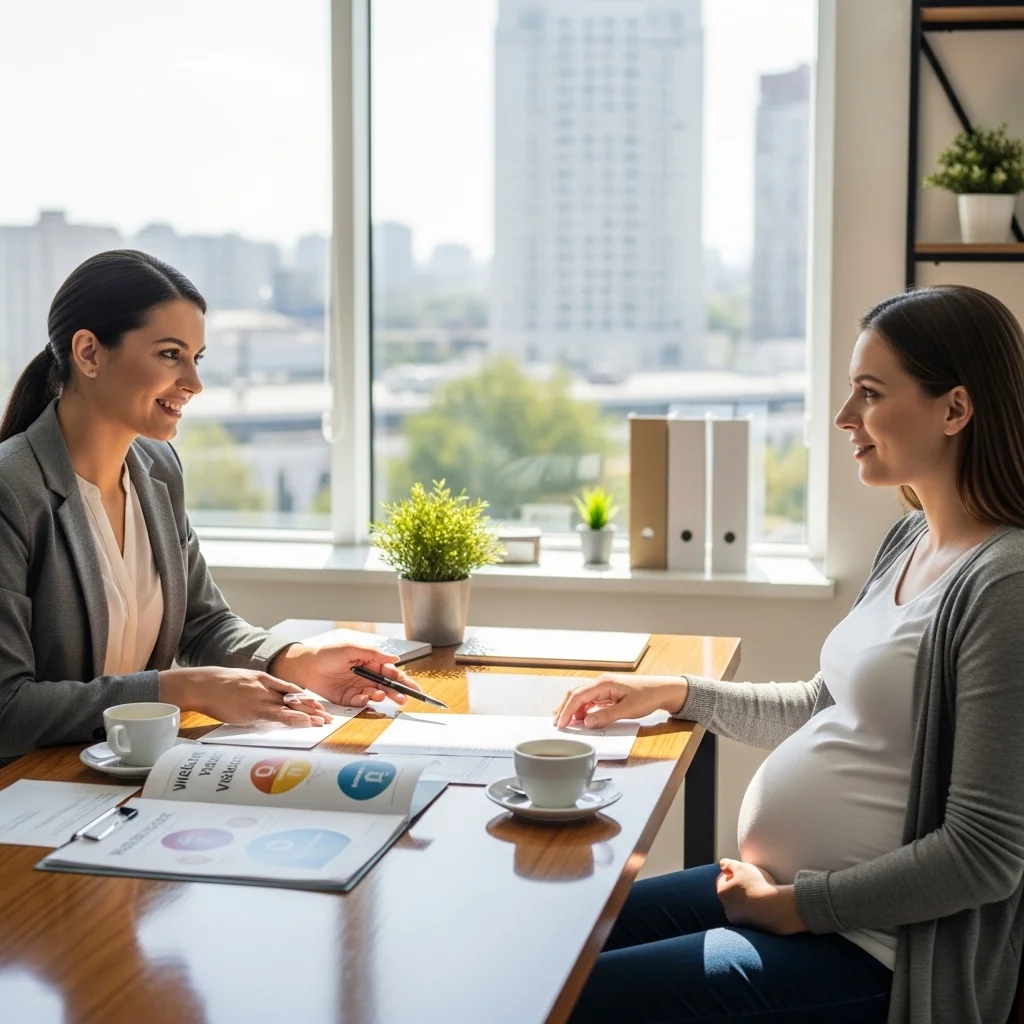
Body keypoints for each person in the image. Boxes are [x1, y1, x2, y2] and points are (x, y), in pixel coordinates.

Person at [557, 284, 1024, 1024]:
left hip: (871, 952)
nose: (845, 419)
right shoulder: (910, 540)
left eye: (869, 394)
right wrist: (680, 692)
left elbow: (985, 854)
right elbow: (825, 707)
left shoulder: (1005, 583)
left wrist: (800, 908)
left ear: (955, 409)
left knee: (575, 1001)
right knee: (555, 941)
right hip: (783, 898)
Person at [0, 249, 421, 766]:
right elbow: (8, 709)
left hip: (129, 777)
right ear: (89, 353)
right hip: (31, 794)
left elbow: (201, 625)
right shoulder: (12, 490)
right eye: (170, 354)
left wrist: (295, 660)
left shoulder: (157, 469)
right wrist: (185, 689)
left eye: (196, 358)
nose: (194, 385)